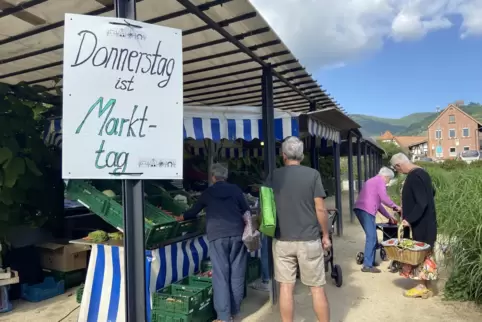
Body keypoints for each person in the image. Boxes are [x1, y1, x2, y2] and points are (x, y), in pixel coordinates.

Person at [266, 136, 331, 322]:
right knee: (317, 288)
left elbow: (266, 207)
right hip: (309, 239)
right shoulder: (313, 175)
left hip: (282, 240)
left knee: (286, 288)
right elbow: (320, 208)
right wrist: (325, 235)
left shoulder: (274, 175)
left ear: (283, 155)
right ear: (301, 156)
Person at [176, 163, 249, 322]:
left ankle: (223, 316)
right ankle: (236, 312)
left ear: (213, 177)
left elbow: (194, 211)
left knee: (221, 275)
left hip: (217, 236)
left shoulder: (208, 192)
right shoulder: (236, 190)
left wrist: (182, 217)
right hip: (237, 234)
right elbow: (246, 209)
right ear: (226, 176)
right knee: (237, 274)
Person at [390, 152, 437, 299]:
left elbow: (421, 202)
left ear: (398, 165)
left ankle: (421, 286)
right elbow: (431, 193)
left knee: (419, 254)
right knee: (426, 252)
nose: (399, 172)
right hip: (427, 221)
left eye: (396, 169)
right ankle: (426, 285)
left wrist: (408, 219)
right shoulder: (423, 173)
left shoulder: (414, 177)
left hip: (421, 223)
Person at [354, 167, 401, 273]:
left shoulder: (372, 181)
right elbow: (384, 198)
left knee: (373, 236)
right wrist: (395, 206)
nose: (388, 183)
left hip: (360, 209)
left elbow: (379, 204)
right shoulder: (380, 181)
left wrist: (389, 216)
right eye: (389, 180)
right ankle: (367, 265)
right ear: (386, 177)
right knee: (371, 237)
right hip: (366, 210)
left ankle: (370, 260)